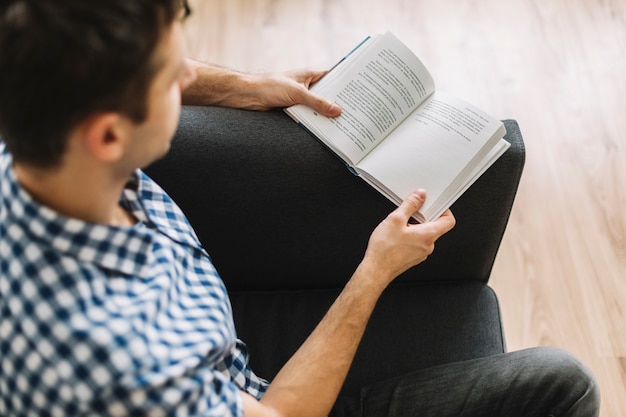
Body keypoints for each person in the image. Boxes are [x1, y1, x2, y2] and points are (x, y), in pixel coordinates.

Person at [0, 1, 599, 416]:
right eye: (169, 74)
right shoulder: (120, 362)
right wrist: (375, 271)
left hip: (213, 341)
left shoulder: (37, 130)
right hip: (258, 397)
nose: (188, 77)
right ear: (108, 136)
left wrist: (249, 86)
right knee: (562, 385)